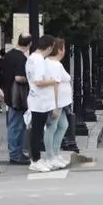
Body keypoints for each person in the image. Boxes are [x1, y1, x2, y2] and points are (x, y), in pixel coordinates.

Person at [0, 35, 32, 164]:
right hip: (18, 97)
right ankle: (16, 154)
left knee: (14, 124)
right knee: (17, 125)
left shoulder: (8, 55)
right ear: (29, 44)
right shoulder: (22, 58)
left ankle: (16, 152)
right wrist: (31, 79)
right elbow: (19, 77)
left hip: (9, 94)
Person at [25, 35, 59, 173]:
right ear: (49, 47)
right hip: (40, 101)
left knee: (37, 131)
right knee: (37, 132)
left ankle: (36, 159)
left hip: (36, 99)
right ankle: (36, 160)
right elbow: (38, 81)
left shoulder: (32, 58)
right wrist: (53, 81)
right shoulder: (39, 60)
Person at [42, 39, 73, 170]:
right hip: (57, 102)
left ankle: (55, 153)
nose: (65, 50)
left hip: (61, 102)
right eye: (63, 48)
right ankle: (50, 156)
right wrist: (54, 106)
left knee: (63, 125)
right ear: (60, 50)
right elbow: (54, 85)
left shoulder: (54, 63)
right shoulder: (54, 65)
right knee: (52, 127)